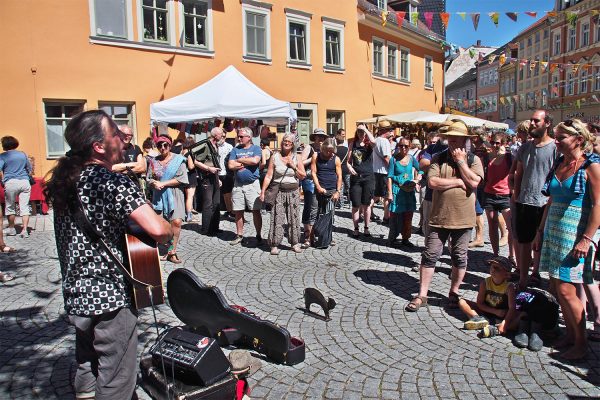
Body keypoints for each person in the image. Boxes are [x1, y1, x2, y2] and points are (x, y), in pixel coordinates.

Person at [43, 110, 172, 400]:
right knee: (116, 376)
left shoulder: (67, 179)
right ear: (99, 146)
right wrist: (167, 229)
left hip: (77, 289)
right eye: (115, 133)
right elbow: (159, 230)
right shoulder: (112, 182)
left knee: (87, 362)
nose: (123, 139)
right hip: (110, 294)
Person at [534, 119, 600, 360]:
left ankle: (581, 343)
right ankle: (571, 335)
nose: (557, 141)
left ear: (578, 140)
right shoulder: (560, 162)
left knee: (567, 289)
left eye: (561, 137)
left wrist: (586, 239)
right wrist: (540, 232)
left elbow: (598, 205)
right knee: (559, 289)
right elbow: (550, 201)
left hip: (575, 235)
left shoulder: (590, 166)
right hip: (554, 231)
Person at [406, 121, 484, 312]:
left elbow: (474, 182)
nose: (452, 143)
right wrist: (458, 181)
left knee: (459, 257)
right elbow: (432, 182)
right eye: (450, 139)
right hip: (439, 217)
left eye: (456, 139)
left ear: (465, 140)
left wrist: (460, 163)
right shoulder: (438, 158)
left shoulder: (474, 160)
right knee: (430, 254)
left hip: (464, 218)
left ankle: (454, 293)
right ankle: (422, 295)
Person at [513, 109, 557, 289]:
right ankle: (523, 277)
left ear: (547, 123)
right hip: (525, 200)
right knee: (523, 242)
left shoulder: (555, 148)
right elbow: (518, 173)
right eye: (531, 120)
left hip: (545, 202)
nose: (532, 124)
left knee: (540, 243)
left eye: (536, 121)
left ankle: (536, 273)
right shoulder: (525, 147)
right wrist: (516, 197)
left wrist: (552, 199)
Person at [260, 133, 306, 255]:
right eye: (285, 141)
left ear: (293, 145)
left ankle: (295, 243)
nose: (286, 143)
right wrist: (263, 191)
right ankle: (274, 244)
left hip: (293, 192)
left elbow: (303, 175)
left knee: (294, 218)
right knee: (277, 217)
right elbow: (269, 175)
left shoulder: (297, 157)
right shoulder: (275, 157)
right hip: (278, 191)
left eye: (289, 142)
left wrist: (293, 166)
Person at [147, 135, 188, 263]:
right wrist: (153, 183)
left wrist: (164, 183)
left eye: (165, 145)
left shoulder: (179, 160)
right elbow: (148, 178)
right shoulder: (153, 161)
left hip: (175, 193)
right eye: (160, 145)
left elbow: (182, 178)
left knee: (176, 222)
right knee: (160, 225)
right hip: (159, 195)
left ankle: (172, 251)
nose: (163, 148)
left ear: (170, 146)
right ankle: (162, 247)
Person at [459, 257, 516, 333]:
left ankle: (495, 326)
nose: (493, 269)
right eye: (492, 266)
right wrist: (495, 311)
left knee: (521, 316)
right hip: (487, 311)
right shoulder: (485, 283)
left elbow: (512, 308)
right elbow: (480, 303)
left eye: (497, 268)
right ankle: (478, 319)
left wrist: (505, 323)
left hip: (501, 315)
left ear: (506, 274)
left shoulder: (509, 287)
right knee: (461, 301)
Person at [228, 127, 263, 246]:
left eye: (241, 136)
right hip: (238, 185)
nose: (239, 138)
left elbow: (255, 161)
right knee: (238, 211)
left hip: (252, 185)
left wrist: (240, 160)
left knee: (255, 210)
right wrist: (245, 161)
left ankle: (258, 235)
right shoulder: (235, 149)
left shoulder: (256, 148)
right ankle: (239, 234)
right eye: (238, 136)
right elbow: (230, 165)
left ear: (249, 137)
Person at [483, 133, 515, 262]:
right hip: (489, 194)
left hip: (505, 195)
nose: (495, 145)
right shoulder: (488, 157)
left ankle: (511, 256)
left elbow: (514, 175)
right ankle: (495, 254)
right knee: (492, 224)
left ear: (504, 143)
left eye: (498, 143)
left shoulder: (509, 158)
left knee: (510, 227)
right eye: (493, 143)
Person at [387, 137, 421, 247]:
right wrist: (390, 193)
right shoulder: (394, 159)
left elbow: (420, 168)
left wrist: (418, 177)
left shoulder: (411, 159)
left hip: (408, 191)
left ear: (410, 146)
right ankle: (392, 238)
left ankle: (406, 238)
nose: (403, 148)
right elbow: (390, 177)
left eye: (406, 146)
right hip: (397, 190)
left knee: (408, 215)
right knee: (395, 216)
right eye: (401, 145)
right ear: (398, 146)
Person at [311, 138, 342, 247]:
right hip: (319, 189)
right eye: (327, 150)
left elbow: (339, 176)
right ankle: (311, 236)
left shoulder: (336, 159)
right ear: (323, 148)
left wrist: (338, 191)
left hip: (332, 190)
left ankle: (328, 238)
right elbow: (313, 173)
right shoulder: (316, 156)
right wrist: (318, 186)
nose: (329, 153)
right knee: (315, 213)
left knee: (329, 215)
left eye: (331, 151)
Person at [300, 128, 328, 247]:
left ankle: (317, 232)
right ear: (314, 137)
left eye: (322, 137)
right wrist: (313, 158)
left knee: (320, 208)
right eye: (318, 136)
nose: (320, 139)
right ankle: (307, 235)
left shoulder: (324, 148)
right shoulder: (309, 148)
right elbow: (300, 162)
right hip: (309, 180)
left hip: (321, 180)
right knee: (310, 206)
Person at [0, 136, 33, 238]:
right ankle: (25, 230)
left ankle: (11, 229)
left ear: (4, 145)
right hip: (24, 182)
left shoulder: (3, 156)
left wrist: (2, 180)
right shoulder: (23, 154)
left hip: (11, 182)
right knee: (25, 207)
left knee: (10, 206)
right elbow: (29, 168)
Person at [347, 124, 376, 238]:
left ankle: (366, 228)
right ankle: (356, 228)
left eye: (362, 131)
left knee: (366, 204)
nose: (361, 133)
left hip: (368, 177)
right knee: (355, 204)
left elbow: (374, 142)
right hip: (356, 178)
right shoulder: (352, 144)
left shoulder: (369, 145)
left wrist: (366, 130)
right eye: (359, 131)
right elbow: (348, 161)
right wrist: (349, 167)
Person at [194, 127, 222, 235]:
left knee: (216, 203)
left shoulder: (216, 146)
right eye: (221, 134)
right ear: (215, 135)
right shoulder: (205, 145)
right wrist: (208, 168)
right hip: (206, 178)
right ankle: (206, 229)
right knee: (208, 203)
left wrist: (218, 178)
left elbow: (214, 163)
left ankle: (215, 227)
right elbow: (196, 161)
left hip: (214, 177)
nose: (222, 136)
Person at [468, 128, 490, 248]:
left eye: (473, 135)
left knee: (478, 210)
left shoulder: (482, 148)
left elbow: (482, 167)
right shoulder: (478, 148)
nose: (471, 137)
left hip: (480, 184)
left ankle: (479, 237)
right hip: (480, 183)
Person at [372, 121, 394, 224]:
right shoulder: (384, 141)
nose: (391, 131)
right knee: (387, 195)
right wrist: (393, 168)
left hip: (374, 171)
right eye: (390, 129)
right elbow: (386, 158)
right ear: (385, 131)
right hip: (384, 172)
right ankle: (386, 217)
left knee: (375, 195)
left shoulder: (375, 140)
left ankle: (370, 213)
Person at [182, 137, 199, 223]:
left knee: (187, 196)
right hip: (191, 176)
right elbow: (191, 166)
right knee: (190, 196)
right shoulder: (189, 153)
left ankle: (188, 214)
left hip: (185, 176)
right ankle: (189, 216)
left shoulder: (183, 152)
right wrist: (197, 162)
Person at [217, 133, 234, 218]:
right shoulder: (215, 146)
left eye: (223, 136)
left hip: (226, 173)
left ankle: (231, 210)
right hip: (217, 172)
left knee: (228, 193)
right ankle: (228, 210)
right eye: (221, 136)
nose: (222, 138)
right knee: (223, 194)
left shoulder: (229, 146)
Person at [335, 129, 350, 208]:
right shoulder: (347, 149)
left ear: (337, 141)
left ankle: (341, 204)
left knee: (340, 186)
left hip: (338, 170)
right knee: (348, 187)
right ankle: (350, 203)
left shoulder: (335, 150)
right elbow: (349, 160)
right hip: (346, 169)